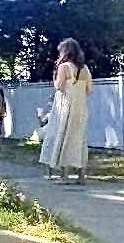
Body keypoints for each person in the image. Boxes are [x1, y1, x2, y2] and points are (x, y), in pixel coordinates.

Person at [39, 38, 93, 185]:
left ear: (65, 52)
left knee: (62, 137)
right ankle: (81, 175)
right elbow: (89, 90)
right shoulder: (85, 69)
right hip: (80, 108)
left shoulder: (64, 67)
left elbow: (59, 87)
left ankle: (64, 176)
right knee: (79, 139)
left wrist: (55, 77)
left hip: (64, 107)